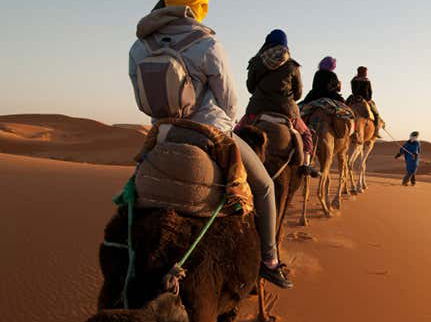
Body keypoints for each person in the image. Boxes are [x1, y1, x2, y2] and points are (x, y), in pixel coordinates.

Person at [130, 0, 293, 288]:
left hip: (164, 131)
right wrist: (223, 128)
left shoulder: (140, 46)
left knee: (132, 188)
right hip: (211, 130)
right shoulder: (207, 43)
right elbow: (229, 101)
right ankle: (269, 260)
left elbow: (142, 98)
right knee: (266, 186)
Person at [242, 30, 319, 178]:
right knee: (306, 134)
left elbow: (250, 87)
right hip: (286, 111)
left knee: (236, 132)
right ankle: (306, 164)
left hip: (257, 109)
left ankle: (229, 161)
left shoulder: (257, 62)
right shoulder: (292, 66)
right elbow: (298, 94)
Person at [350, 66, 382, 132]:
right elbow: (370, 91)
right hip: (366, 99)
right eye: (365, 72)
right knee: (376, 114)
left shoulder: (353, 80)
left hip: (354, 98)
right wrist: (368, 99)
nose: (366, 73)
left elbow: (353, 90)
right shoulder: (367, 81)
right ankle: (376, 130)